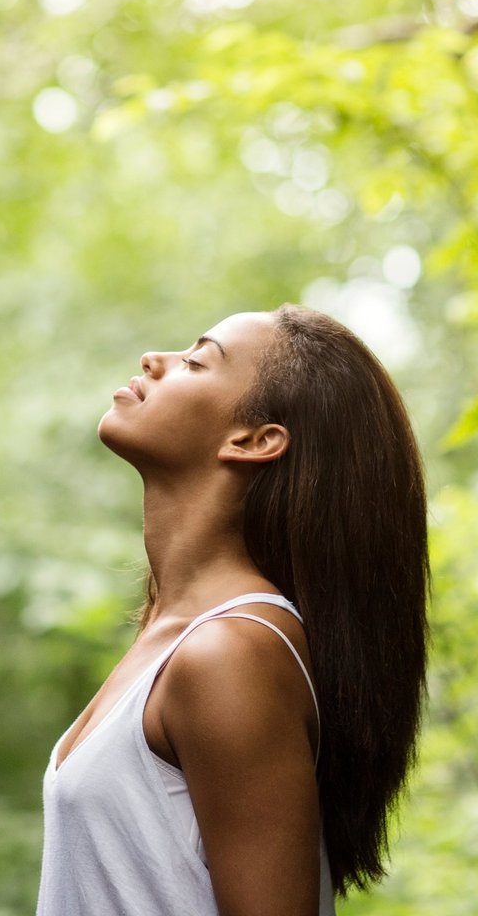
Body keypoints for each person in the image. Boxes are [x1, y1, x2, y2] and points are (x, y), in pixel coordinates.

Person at [36, 304, 430, 916]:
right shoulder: (178, 638)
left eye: (195, 361)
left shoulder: (229, 653)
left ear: (253, 440)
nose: (154, 360)